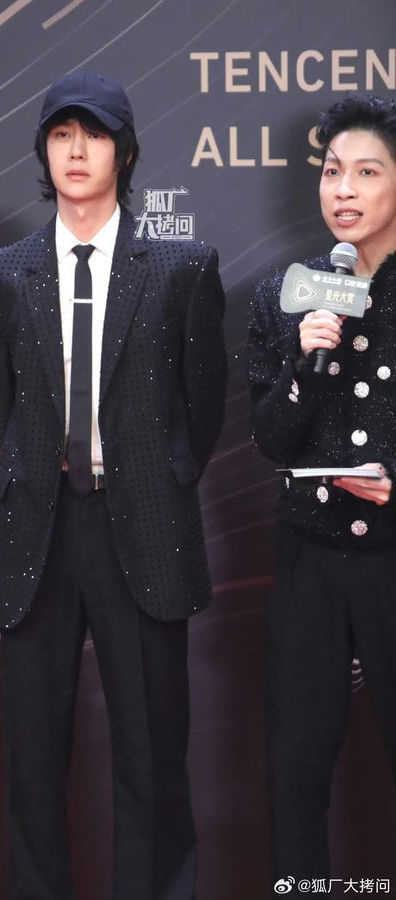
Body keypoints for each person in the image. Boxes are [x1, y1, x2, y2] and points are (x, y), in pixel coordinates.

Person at [0, 69, 227, 900]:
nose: (76, 150)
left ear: (126, 151)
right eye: (60, 134)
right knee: (32, 759)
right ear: (43, 152)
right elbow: (8, 405)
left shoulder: (182, 268)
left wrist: (153, 478)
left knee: (152, 755)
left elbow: (203, 407)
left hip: (143, 523)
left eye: (94, 134)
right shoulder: (1, 275)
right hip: (39, 529)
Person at [248, 92, 396, 891]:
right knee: (296, 766)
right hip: (310, 556)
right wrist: (305, 364)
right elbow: (271, 439)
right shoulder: (287, 291)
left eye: (366, 172)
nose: (343, 189)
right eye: (333, 170)